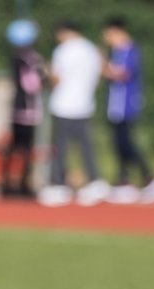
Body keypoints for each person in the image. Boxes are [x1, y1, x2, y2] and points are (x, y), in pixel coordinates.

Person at [40, 20, 111, 207]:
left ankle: (58, 185)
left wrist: (47, 71)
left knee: (59, 148)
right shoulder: (92, 50)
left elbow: (56, 78)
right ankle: (95, 182)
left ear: (63, 33)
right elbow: (98, 77)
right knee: (87, 147)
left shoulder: (63, 51)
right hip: (85, 105)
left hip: (63, 105)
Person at [100, 16, 154, 204]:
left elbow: (122, 74)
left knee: (128, 144)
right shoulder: (115, 52)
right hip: (114, 106)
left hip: (126, 106)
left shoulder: (130, 50)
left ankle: (151, 179)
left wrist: (102, 65)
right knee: (118, 145)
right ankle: (123, 183)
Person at [1, 18, 44, 198]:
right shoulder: (29, 59)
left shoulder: (17, 58)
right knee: (24, 149)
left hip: (17, 108)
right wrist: (45, 76)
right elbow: (31, 85)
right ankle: (21, 185)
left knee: (14, 148)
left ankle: (7, 183)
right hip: (27, 109)